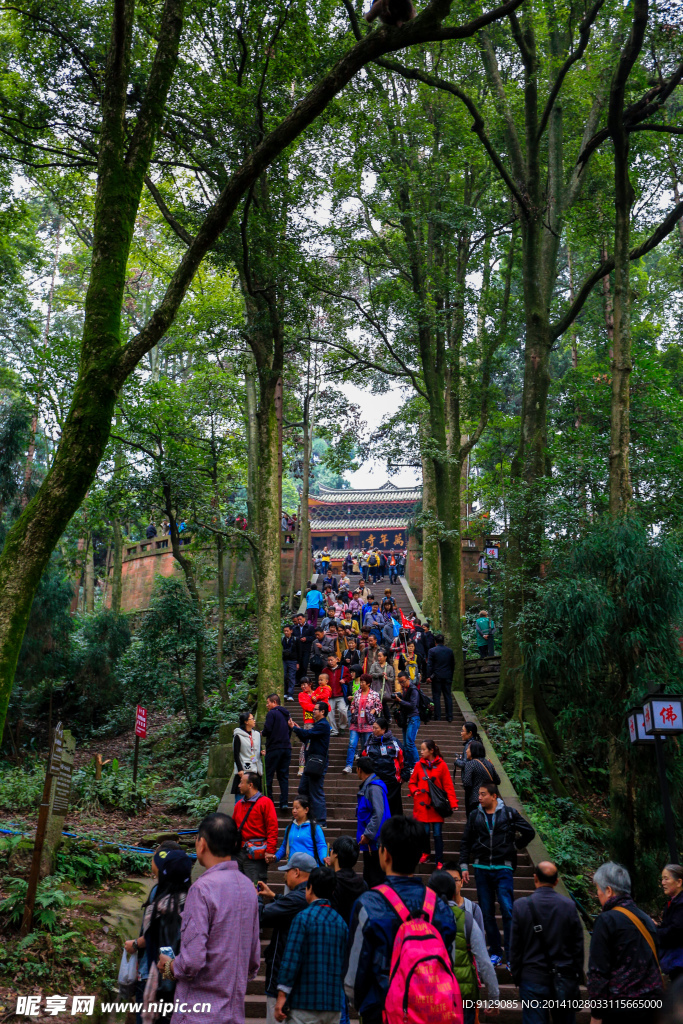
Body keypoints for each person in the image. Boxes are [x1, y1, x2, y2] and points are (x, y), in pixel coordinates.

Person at [344, 816, 456, 1024]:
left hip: (383, 1011)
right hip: (432, 1012)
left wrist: (364, 1007)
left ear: (384, 853)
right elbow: (450, 961)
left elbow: (353, 975)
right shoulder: (440, 906)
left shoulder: (368, 904)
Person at [156, 813, 259, 1024]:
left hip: (197, 1014)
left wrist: (170, 966)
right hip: (233, 1014)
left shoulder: (202, 889)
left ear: (201, 844)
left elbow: (192, 961)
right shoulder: (249, 887)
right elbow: (253, 961)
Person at [460, 783, 536, 970]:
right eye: (479, 794)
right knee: (487, 912)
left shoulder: (509, 813)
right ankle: (495, 952)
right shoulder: (474, 815)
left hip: (504, 867)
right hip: (481, 867)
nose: (479, 797)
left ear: (494, 796)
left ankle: (511, 955)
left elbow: (529, 831)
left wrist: (514, 847)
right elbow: (466, 841)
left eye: (483, 794)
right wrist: (463, 865)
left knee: (507, 910)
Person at [588, 861, 663, 1024]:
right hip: (651, 1007)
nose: (597, 895)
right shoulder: (646, 920)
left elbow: (598, 972)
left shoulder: (606, 921)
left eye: (598, 890)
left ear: (608, 891)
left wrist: (596, 1015)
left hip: (620, 1009)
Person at [509, 861, 584, 1024]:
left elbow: (515, 946)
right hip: (563, 977)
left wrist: (518, 975)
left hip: (532, 978)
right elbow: (578, 946)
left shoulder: (521, 906)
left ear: (535, 878)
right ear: (556, 882)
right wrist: (575, 976)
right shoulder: (569, 906)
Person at [274, 866, 348, 1024]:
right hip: (333, 1004)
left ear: (310, 888)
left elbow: (290, 960)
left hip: (304, 1003)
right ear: (333, 892)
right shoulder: (341, 923)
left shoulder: (302, 918)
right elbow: (345, 963)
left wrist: (281, 995)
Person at [123, 840, 185, 1022]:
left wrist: (135, 944)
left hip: (153, 970)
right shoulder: (186, 891)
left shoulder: (160, 891)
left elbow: (156, 933)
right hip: (173, 972)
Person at [427, 869, 500, 1023]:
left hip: (430, 995)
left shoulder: (422, 918)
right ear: (453, 891)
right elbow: (484, 961)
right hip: (463, 995)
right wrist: (494, 997)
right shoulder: (465, 919)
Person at [409, 739, 458, 870]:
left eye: (423, 749)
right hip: (422, 804)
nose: (421, 752)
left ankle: (439, 860)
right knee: (424, 833)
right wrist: (415, 791)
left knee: (437, 833)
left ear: (431, 750)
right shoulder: (419, 765)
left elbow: (448, 785)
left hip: (437, 806)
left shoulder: (442, 765)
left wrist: (453, 802)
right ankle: (425, 853)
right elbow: (412, 782)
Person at [232, 771, 279, 885]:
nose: (238, 785)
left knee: (257, 886)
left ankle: (259, 903)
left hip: (256, 853)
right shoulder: (239, 804)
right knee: (237, 886)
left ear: (250, 785)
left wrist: (270, 851)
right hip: (238, 852)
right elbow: (232, 827)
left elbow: (272, 828)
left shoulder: (265, 803)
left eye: (241, 782)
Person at [290, 701, 332, 825]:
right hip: (311, 762)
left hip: (317, 762)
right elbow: (307, 738)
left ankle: (320, 821)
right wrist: (297, 729)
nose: (313, 711)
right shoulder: (318, 725)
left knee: (316, 791)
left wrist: (295, 728)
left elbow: (308, 734)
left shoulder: (323, 725)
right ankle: (307, 816)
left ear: (322, 712)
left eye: (315, 709)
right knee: (303, 789)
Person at [355, 755, 391, 887]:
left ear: (359, 770)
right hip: (370, 842)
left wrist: (369, 834)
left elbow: (379, 812)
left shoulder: (374, 787)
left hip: (375, 842)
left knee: (375, 879)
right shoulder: (370, 786)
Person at [365, 717, 405, 815]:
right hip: (376, 781)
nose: (373, 730)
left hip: (392, 781)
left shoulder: (394, 742)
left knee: (394, 809)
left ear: (384, 729)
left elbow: (403, 758)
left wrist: (404, 775)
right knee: (378, 808)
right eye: (373, 728)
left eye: (376, 728)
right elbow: (365, 758)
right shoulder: (369, 743)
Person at [273, 796, 328, 866]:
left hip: (310, 868)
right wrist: (275, 857)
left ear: (306, 810)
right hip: (293, 868)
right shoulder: (290, 827)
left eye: (297, 808)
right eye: (293, 808)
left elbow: (321, 845)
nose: (294, 811)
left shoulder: (315, 828)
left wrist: (324, 858)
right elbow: (284, 846)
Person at [343, 674, 382, 772]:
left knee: (366, 746)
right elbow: (352, 705)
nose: (361, 684)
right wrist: (353, 711)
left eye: (363, 682)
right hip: (356, 722)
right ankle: (348, 766)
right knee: (352, 744)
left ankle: (366, 767)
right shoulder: (357, 693)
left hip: (368, 723)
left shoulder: (374, 694)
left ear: (368, 683)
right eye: (361, 682)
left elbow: (379, 706)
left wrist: (373, 711)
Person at [327, 836, 369, 924]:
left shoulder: (331, 882)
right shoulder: (363, 884)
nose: (330, 852)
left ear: (336, 854)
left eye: (331, 849)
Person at [263, 694, 292, 811]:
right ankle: (284, 802)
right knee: (283, 776)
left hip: (274, 748)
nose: (267, 705)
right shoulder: (287, 714)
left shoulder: (272, 713)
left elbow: (268, 729)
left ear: (274, 702)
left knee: (268, 775)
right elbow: (290, 729)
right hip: (286, 748)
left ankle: (269, 801)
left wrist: (263, 733)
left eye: (268, 702)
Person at [461, 740, 500, 816]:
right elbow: (497, 781)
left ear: (473, 750)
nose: (466, 751)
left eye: (468, 748)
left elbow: (467, 783)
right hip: (489, 800)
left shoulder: (470, 764)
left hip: (476, 799)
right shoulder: (489, 763)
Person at [659, 864, 683, 981]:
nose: (663, 883)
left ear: (679, 882)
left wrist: (655, 931)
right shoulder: (673, 903)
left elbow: (675, 932)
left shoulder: (681, 905)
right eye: (662, 879)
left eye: (666, 878)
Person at [231, 711, 262, 795]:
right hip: (244, 769)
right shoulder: (238, 735)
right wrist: (240, 769)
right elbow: (236, 754)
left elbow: (258, 748)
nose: (254, 720)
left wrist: (262, 752)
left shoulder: (257, 734)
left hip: (255, 767)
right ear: (246, 722)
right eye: (252, 719)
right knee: (240, 795)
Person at [394, 671, 420, 771]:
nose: (401, 684)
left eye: (403, 682)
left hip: (413, 717)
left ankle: (416, 766)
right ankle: (409, 765)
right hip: (406, 718)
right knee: (405, 744)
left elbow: (413, 705)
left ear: (408, 679)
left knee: (410, 743)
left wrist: (400, 701)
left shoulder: (413, 690)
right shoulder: (405, 689)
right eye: (400, 682)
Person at [426, 633, 455, 722]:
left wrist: (429, 676)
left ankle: (437, 716)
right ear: (443, 641)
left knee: (436, 696)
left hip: (436, 676)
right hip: (447, 676)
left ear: (435, 641)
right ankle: (449, 716)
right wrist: (451, 674)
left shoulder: (432, 651)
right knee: (447, 696)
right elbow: (452, 664)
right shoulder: (449, 651)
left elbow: (429, 665)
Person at [326, 653, 348, 737]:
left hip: (340, 694)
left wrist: (344, 680)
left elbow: (349, 678)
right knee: (329, 713)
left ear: (337, 659)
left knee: (343, 711)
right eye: (328, 660)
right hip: (329, 695)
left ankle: (342, 726)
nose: (330, 662)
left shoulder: (344, 668)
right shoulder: (325, 670)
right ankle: (334, 730)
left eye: (331, 660)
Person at [297, 679, 317, 775]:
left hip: (319, 721)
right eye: (301, 685)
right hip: (308, 721)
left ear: (310, 684)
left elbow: (325, 702)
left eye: (305, 684)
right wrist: (318, 708)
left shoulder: (316, 693)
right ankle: (301, 767)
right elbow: (306, 706)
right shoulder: (301, 695)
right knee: (305, 744)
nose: (303, 686)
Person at [369, 647, 395, 718]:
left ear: (385, 657)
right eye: (378, 656)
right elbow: (371, 674)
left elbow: (392, 679)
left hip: (385, 688)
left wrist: (387, 678)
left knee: (382, 701)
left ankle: (384, 717)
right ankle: (385, 717)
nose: (379, 658)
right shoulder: (374, 665)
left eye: (380, 656)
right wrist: (380, 675)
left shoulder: (389, 667)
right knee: (378, 701)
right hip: (376, 687)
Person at [454, 721, 480, 786]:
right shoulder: (477, 743)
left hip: (470, 781)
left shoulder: (469, 745)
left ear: (470, 733)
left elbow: (466, 764)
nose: (461, 733)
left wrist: (457, 761)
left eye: (463, 731)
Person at [293, 613, 315, 683]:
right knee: (298, 665)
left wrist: (307, 638)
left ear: (304, 619)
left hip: (306, 649)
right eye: (298, 619)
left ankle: (303, 680)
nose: (299, 621)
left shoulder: (310, 627)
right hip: (297, 649)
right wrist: (299, 639)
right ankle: (297, 680)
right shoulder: (295, 628)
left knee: (304, 665)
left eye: (300, 619)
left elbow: (313, 637)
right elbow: (293, 637)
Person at [282, 625, 298, 700]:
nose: (286, 632)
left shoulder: (295, 639)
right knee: (284, 676)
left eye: (287, 631)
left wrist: (298, 662)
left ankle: (290, 694)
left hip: (293, 660)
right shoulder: (282, 640)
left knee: (291, 677)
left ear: (291, 631)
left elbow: (299, 651)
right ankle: (285, 693)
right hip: (284, 660)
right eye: (284, 631)